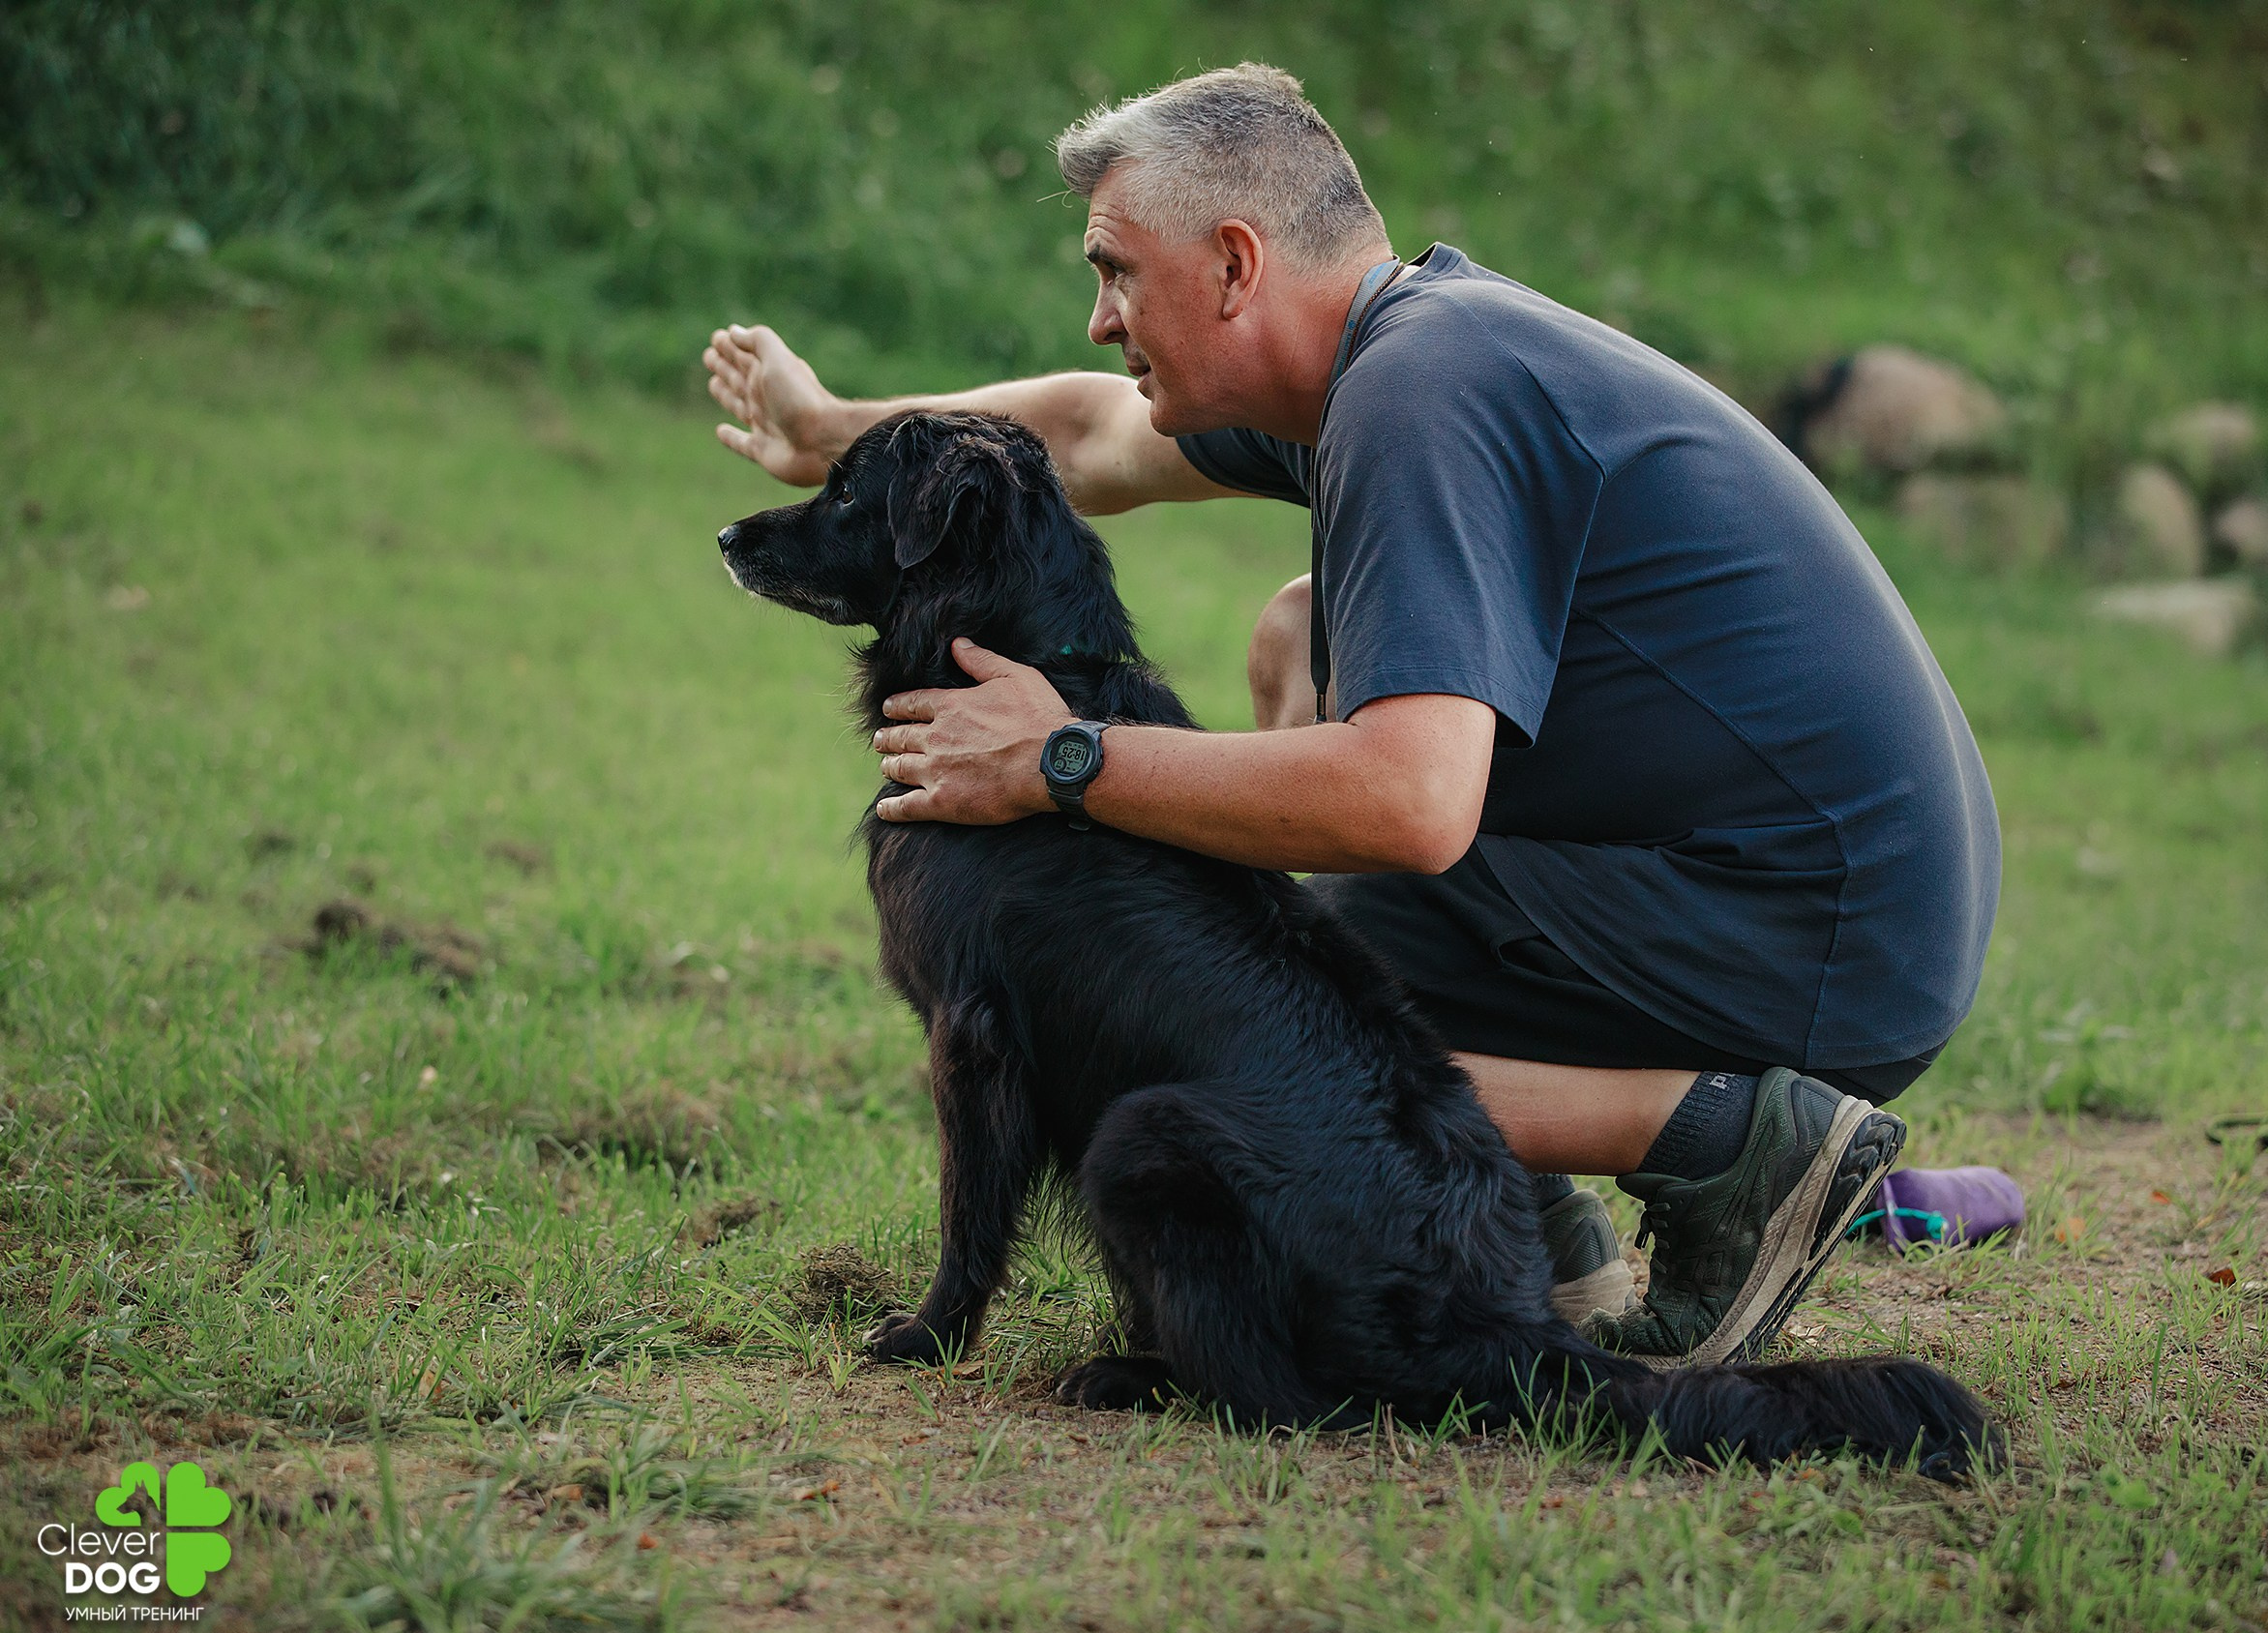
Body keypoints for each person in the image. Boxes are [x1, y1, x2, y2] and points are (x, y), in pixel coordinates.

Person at [702, 64, 2000, 1364]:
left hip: (1821, 936)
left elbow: (1409, 803)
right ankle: (1532, 1219)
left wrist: (1065, 758)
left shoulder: (1417, 393)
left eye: (1117, 273)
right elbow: (1086, 438)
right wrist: (831, 433)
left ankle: (1726, 1142)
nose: (1100, 321)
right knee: (1299, 639)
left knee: (1252, 1018)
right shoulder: (1394, 351)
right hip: (1806, 884)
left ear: (1234, 265)